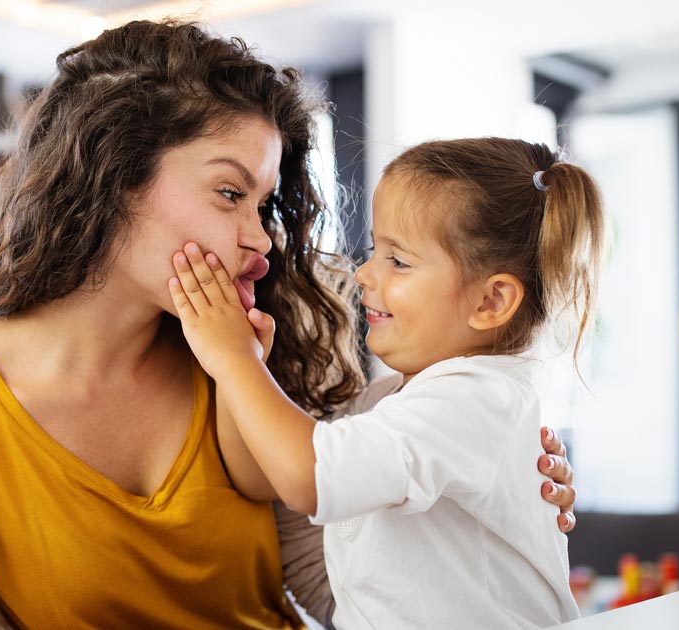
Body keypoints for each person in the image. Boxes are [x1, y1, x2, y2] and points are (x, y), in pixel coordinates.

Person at [0, 20, 578, 629]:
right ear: (111, 173)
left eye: (263, 205)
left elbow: (347, 585)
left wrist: (479, 504)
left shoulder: (254, 358)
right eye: (229, 193)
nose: (259, 238)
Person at [170, 138, 604, 628]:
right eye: (375, 250)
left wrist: (235, 363)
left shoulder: (467, 403)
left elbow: (307, 477)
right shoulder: (397, 400)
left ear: (490, 302)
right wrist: (246, 372)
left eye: (398, 261)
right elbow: (265, 476)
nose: (363, 273)